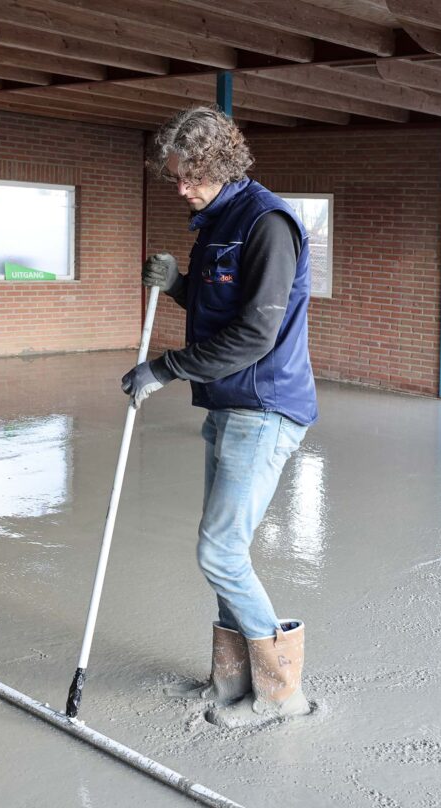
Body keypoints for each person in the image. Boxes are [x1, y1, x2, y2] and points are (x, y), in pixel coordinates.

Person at [121, 106, 318, 730]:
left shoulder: (268, 222)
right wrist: (180, 283)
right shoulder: (215, 221)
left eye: (188, 176)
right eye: (175, 175)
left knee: (220, 551)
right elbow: (221, 305)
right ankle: (231, 681)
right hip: (230, 405)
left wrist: (166, 367)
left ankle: (282, 692)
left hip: (265, 407)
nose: (179, 187)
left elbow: (257, 333)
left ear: (221, 165)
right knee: (223, 550)